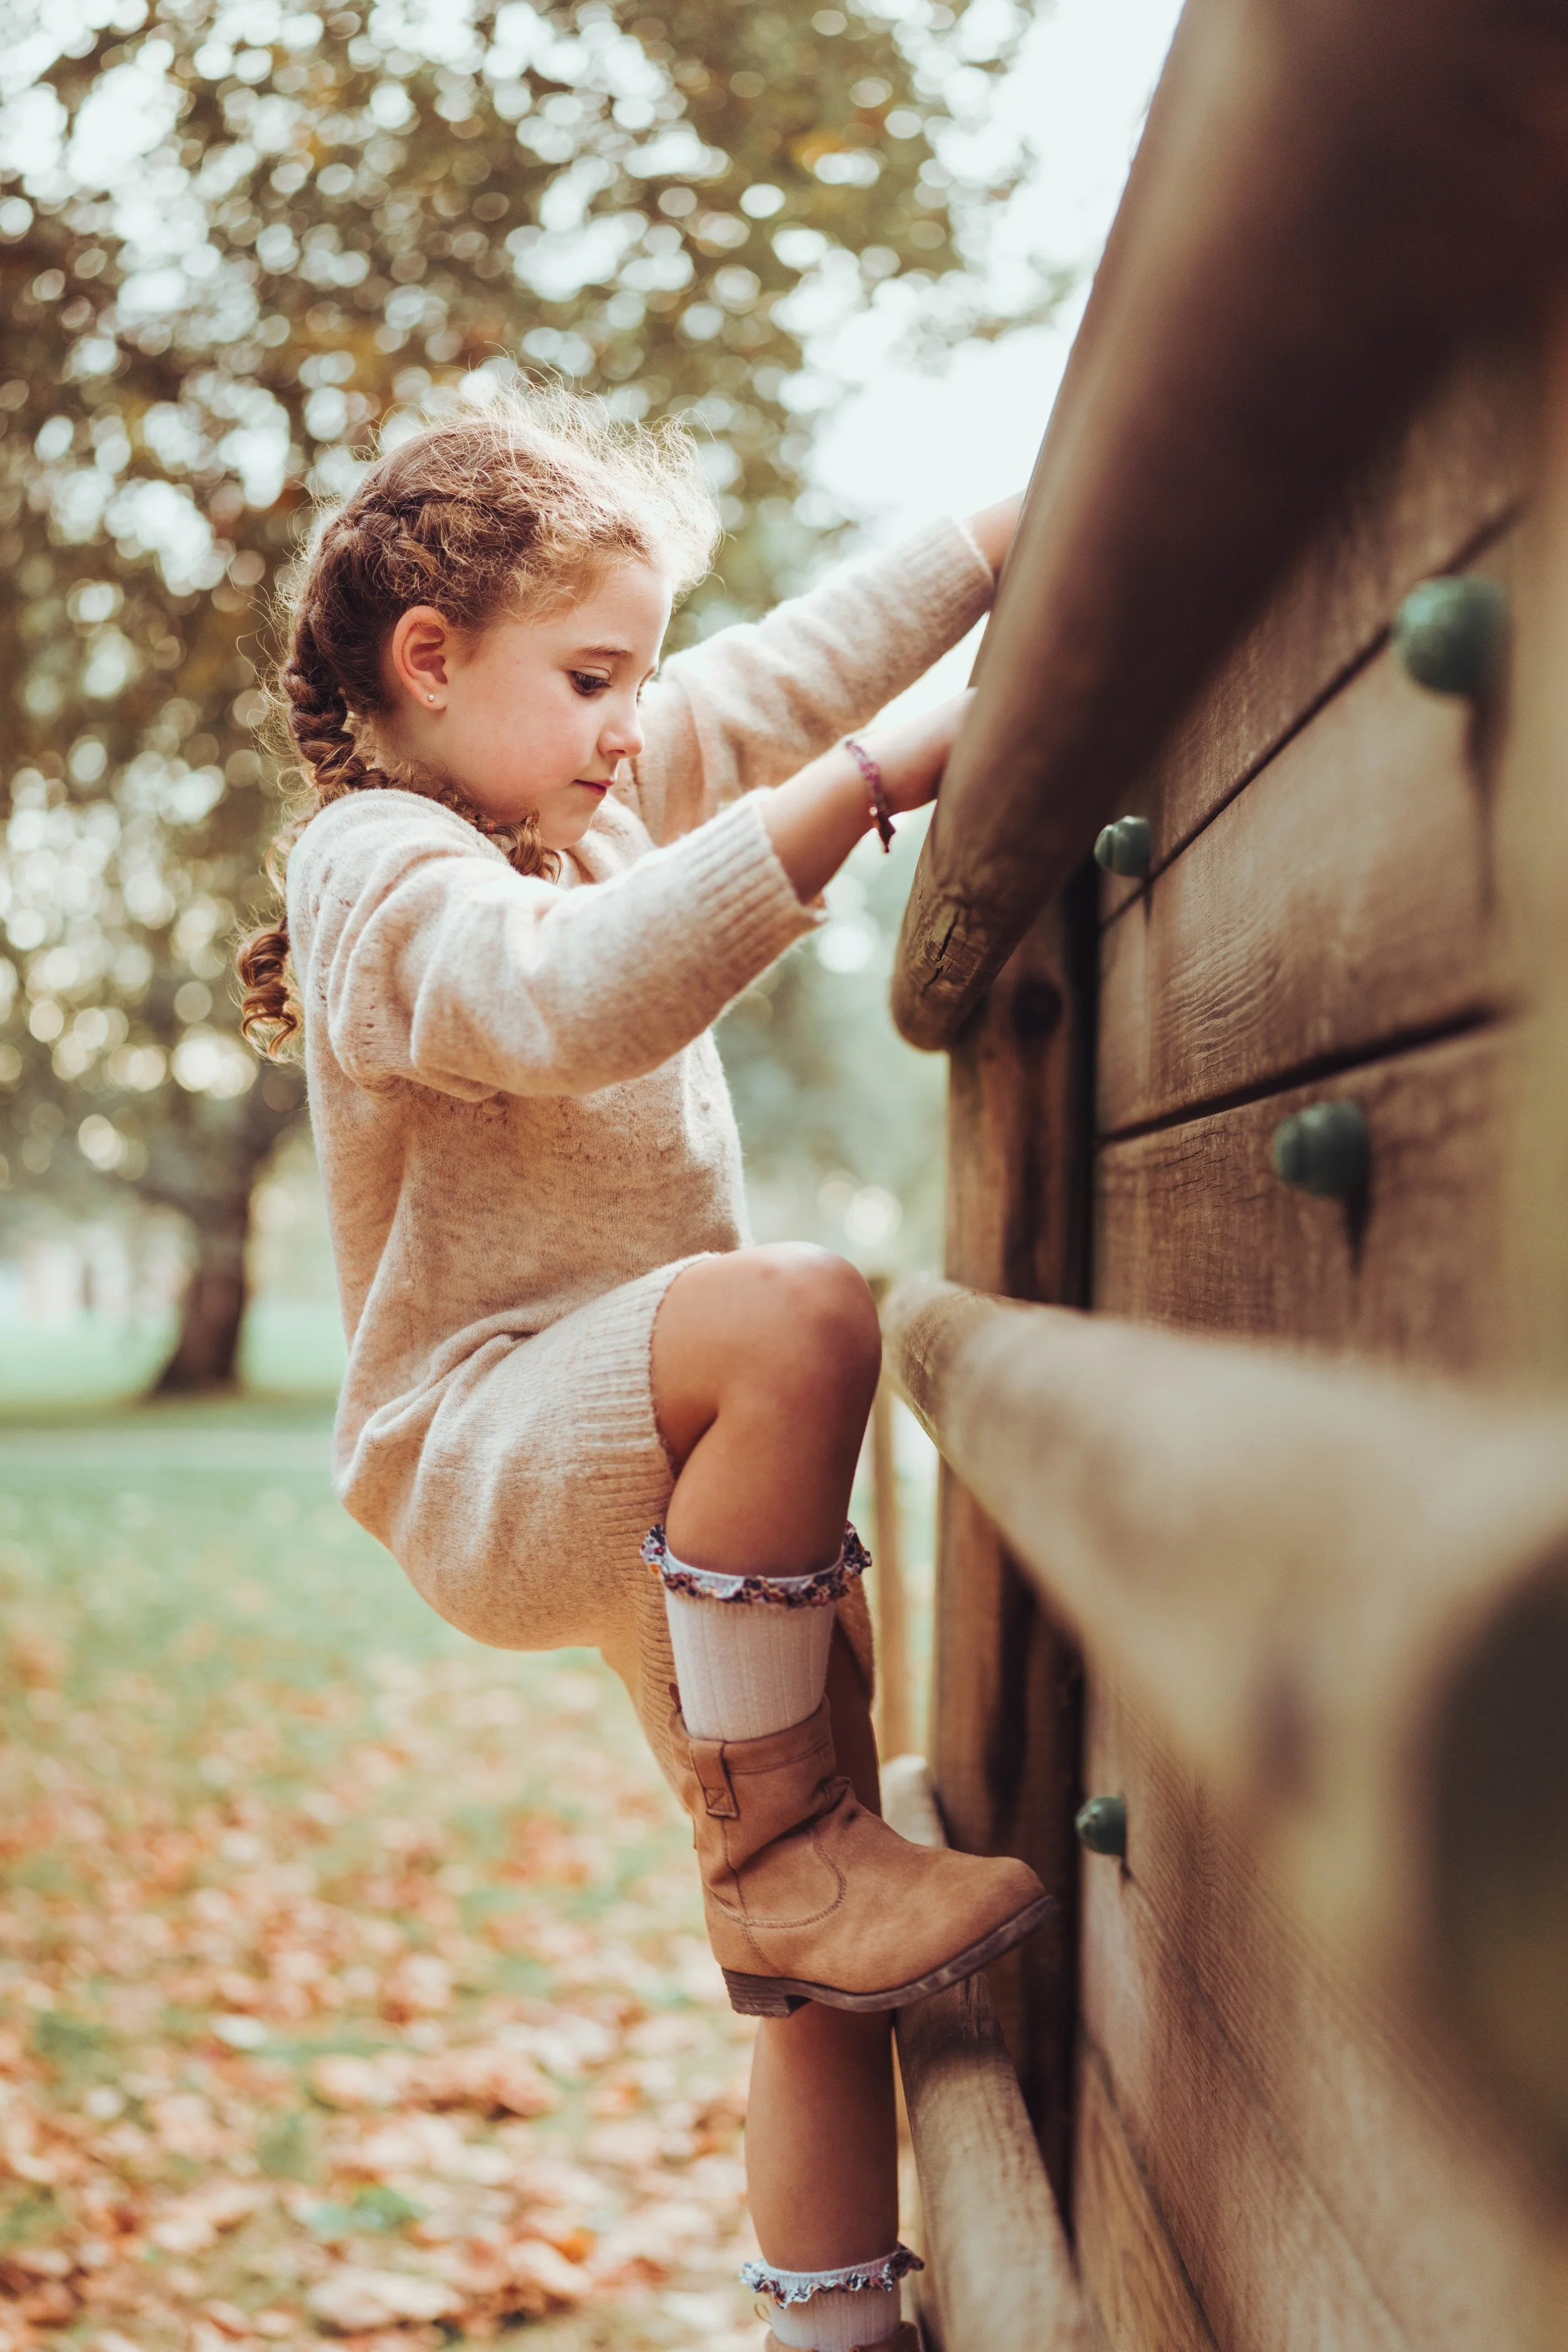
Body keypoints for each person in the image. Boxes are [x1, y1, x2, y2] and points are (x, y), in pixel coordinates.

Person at [238, 386, 1047, 2352]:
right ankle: (788, 1854)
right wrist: (865, 787)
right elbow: (561, 1001)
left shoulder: (580, 795)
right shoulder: (380, 860)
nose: (632, 724)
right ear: (428, 665)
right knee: (798, 1306)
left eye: (639, 680)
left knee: (817, 1955)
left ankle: (829, 2315)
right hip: (496, 1440)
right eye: (594, 674)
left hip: (692, 1495)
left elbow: (782, 674)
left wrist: (1020, 529)